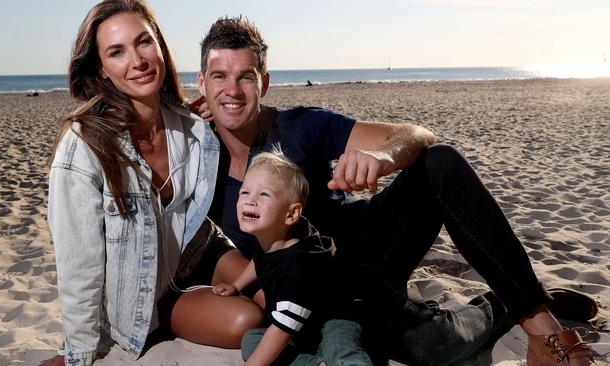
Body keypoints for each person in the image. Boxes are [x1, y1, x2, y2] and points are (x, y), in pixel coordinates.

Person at [196, 16, 596, 366]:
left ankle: (542, 327)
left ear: (264, 83)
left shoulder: (301, 125)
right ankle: (511, 301)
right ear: (201, 82)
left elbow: (417, 134)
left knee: (441, 161)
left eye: (245, 76)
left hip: (372, 246)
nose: (232, 89)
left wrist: (383, 156)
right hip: (320, 291)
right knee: (428, 347)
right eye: (219, 77)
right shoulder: (195, 159)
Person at [44, 2, 262, 365]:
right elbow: (77, 265)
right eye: (117, 52)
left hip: (196, 253)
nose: (138, 60)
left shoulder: (192, 128)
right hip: (145, 297)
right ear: (102, 68)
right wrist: (77, 355)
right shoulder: (84, 144)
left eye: (144, 42)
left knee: (278, 292)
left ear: (160, 45)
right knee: (247, 320)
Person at [212, 149, 372, 366]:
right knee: (252, 340)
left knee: (340, 349)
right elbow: (259, 260)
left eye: (264, 194)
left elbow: (282, 330)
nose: (250, 201)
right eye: (245, 192)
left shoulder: (297, 266)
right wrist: (236, 286)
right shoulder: (273, 237)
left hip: (334, 319)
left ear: (291, 214)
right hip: (300, 327)